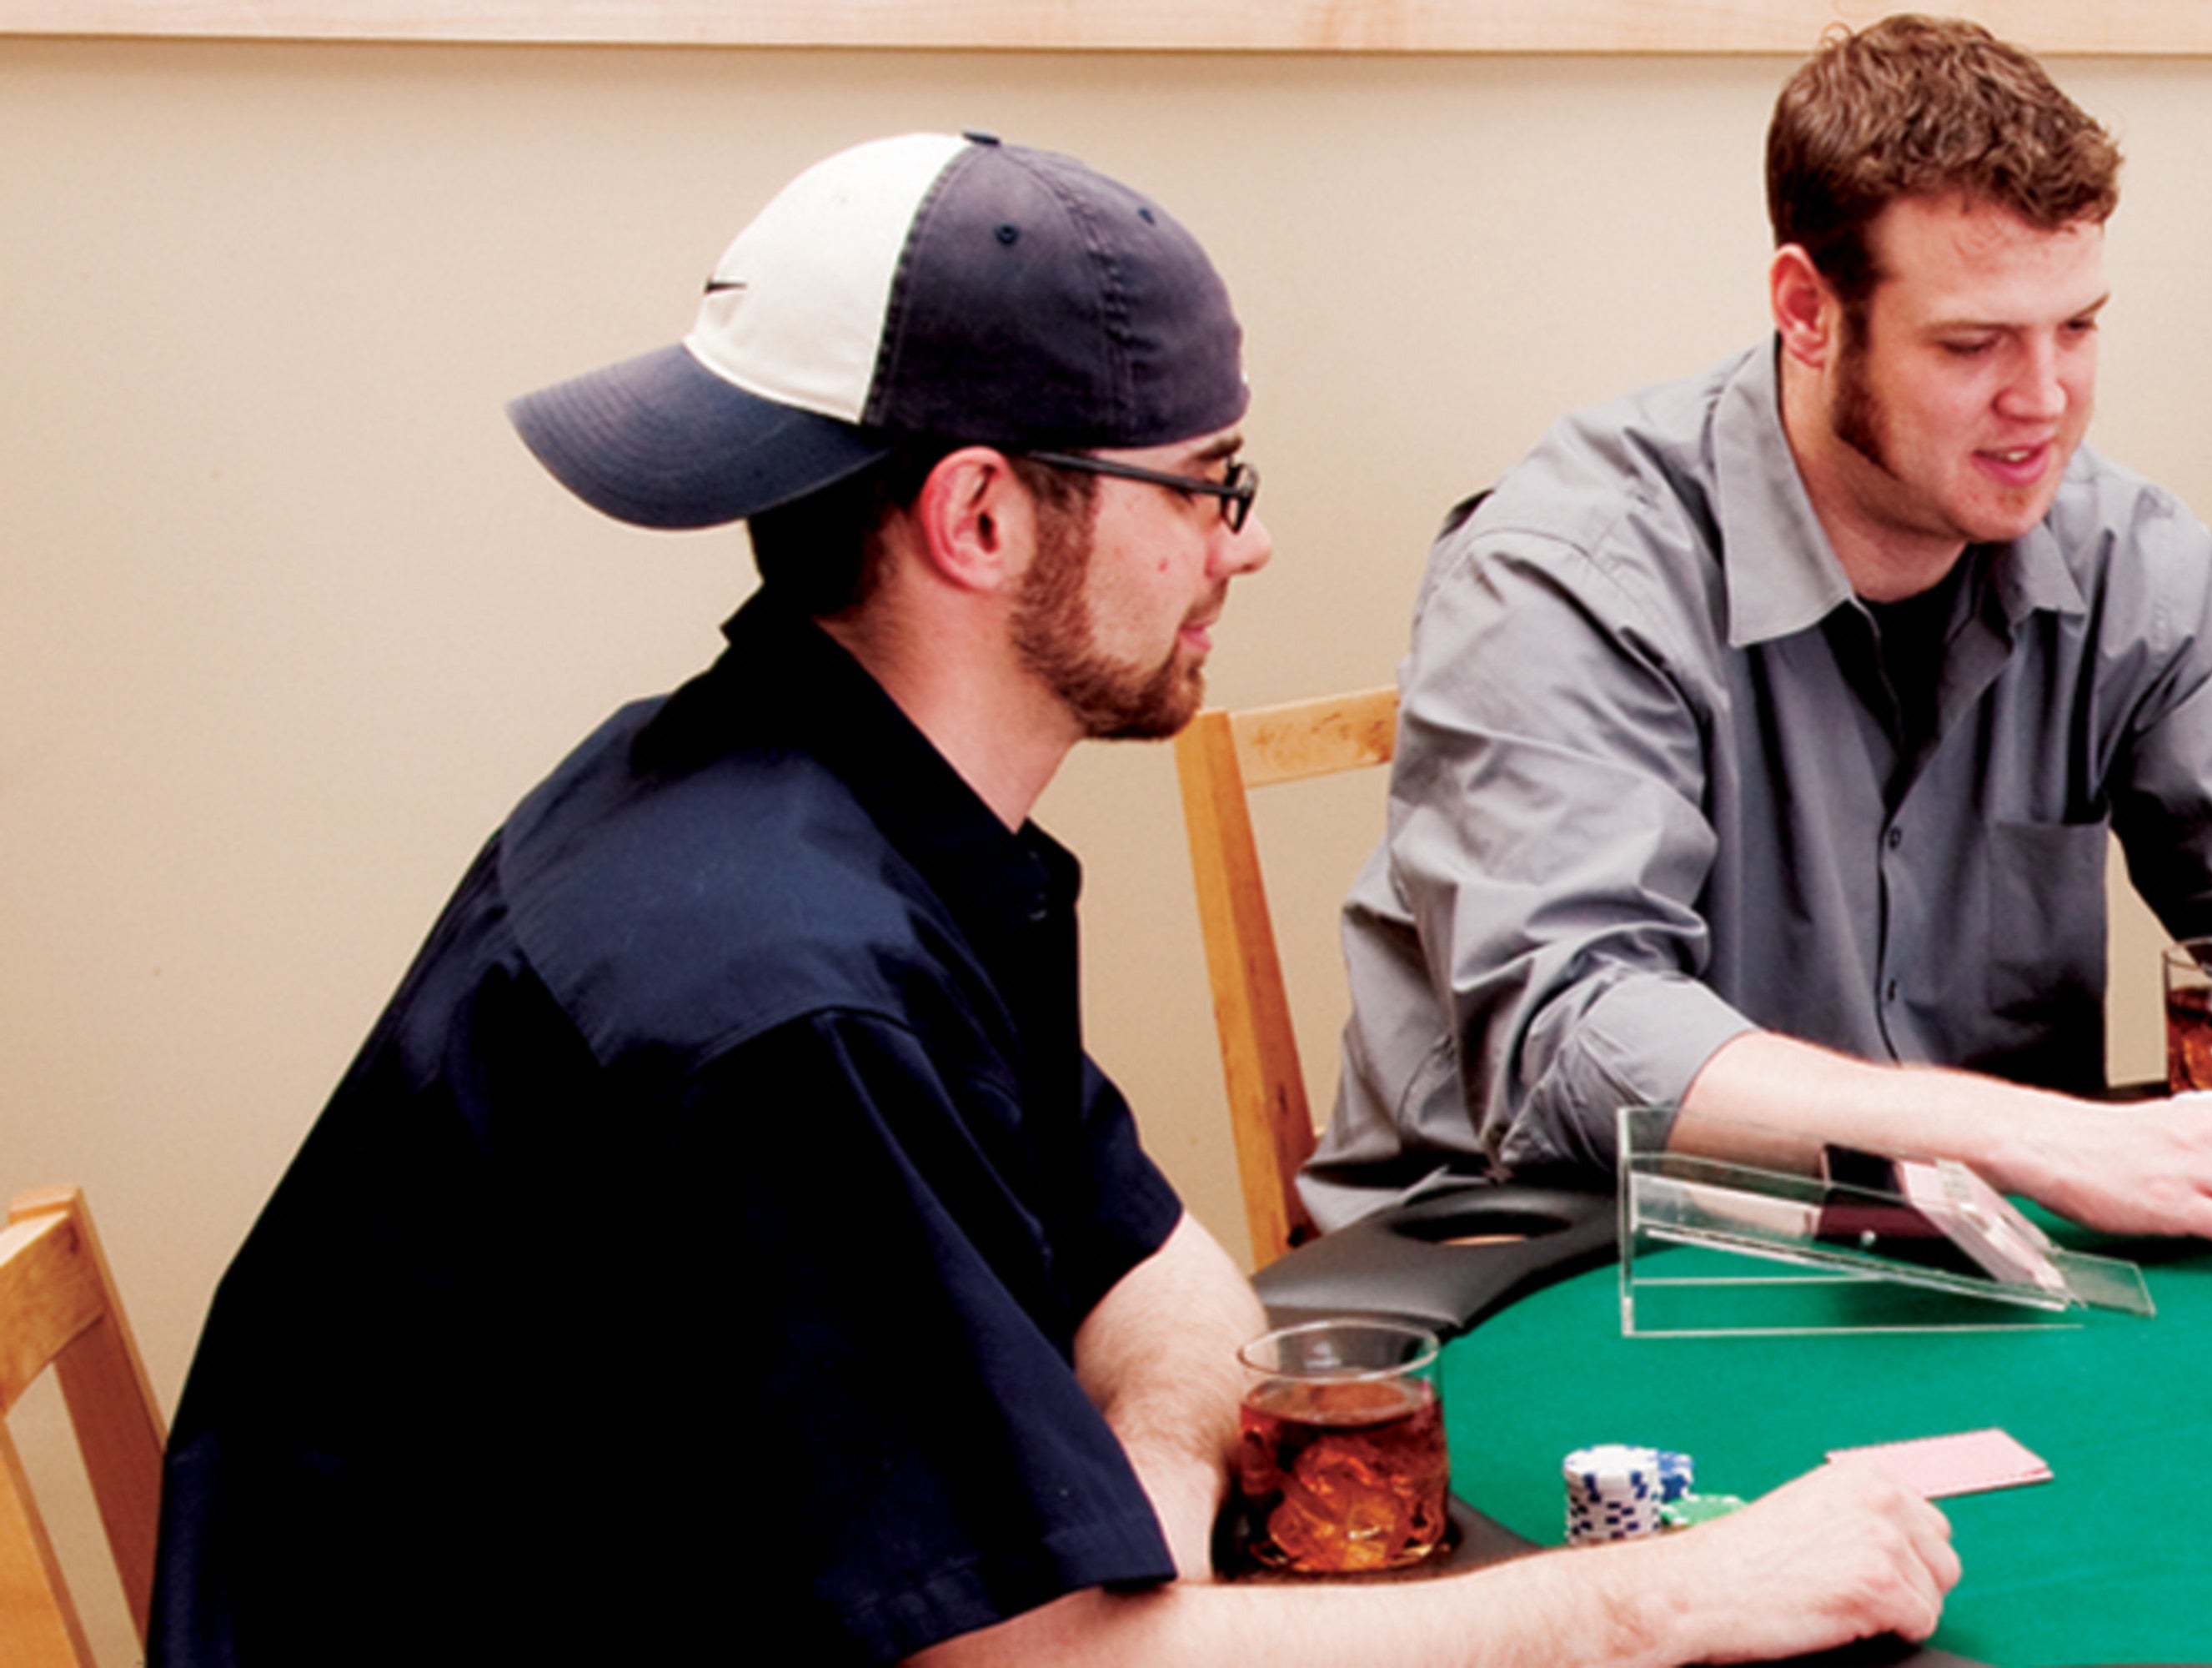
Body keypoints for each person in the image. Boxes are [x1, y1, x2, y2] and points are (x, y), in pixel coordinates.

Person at [152, 133, 1956, 1665]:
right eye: (1205, 484)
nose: (1241, 545)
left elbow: (1169, 1299)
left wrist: (1130, 1536)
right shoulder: (778, 991)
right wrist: (1673, 1593)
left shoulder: (859, 804)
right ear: (981, 520)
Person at [1314, 15, 2212, 1261]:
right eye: (1974, 344)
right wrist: (2038, 1139)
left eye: (2078, 327)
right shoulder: (1566, 571)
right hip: (1552, 1268)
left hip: (1962, 1259)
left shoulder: (2131, 560)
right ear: (1808, 311)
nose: (2043, 402)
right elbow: (1577, 1041)